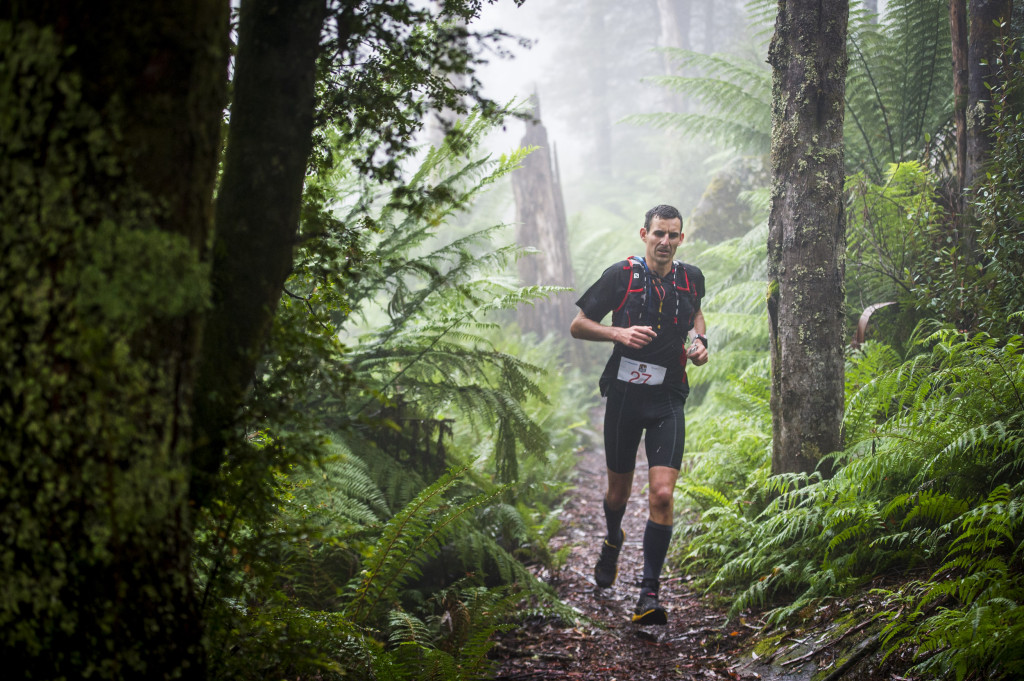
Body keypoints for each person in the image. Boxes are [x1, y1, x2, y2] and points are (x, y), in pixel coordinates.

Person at [569, 204, 708, 625]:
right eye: (658, 234)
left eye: (673, 235)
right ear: (644, 234)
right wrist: (618, 332)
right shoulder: (621, 276)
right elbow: (578, 324)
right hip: (625, 398)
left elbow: (697, 312)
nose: (665, 242)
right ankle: (613, 538)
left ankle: (649, 594)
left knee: (663, 494)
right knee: (617, 495)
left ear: (681, 238)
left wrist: (701, 341)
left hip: (668, 396)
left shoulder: (691, 278)